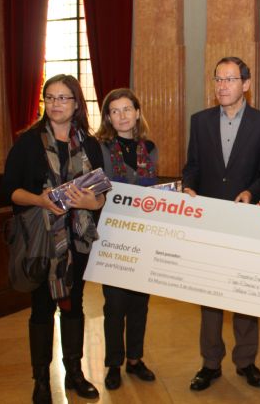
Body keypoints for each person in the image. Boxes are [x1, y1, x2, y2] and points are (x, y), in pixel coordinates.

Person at [1, 74, 106, 403]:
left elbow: (101, 195)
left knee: (74, 305)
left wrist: (90, 202)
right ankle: (42, 380)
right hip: (42, 240)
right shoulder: (27, 142)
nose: (56, 104)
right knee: (42, 309)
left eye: (63, 98)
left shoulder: (90, 144)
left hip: (79, 239)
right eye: (50, 97)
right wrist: (41, 200)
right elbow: (11, 191)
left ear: (76, 104)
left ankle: (74, 372)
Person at [182, 56, 260, 391]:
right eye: (218, 79)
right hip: (208, 221)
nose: (222, 86)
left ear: (245, 84)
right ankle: (210, 362)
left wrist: (251, 192)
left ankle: (246, 360)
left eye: (230, 79)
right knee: (209, 295)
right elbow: (192, 166)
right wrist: (188, 186)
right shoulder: (200, 121)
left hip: (245, 222)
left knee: (245, 295)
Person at [95, 88, 157, 390]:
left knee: (139, 305)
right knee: (115, 306)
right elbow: (95, 191)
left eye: (127, 109)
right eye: (115, 111)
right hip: (112, 237)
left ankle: (135, 359)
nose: (121, 116)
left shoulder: (150, 148)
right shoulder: (100, 149)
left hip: (144, 237)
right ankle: (113, 363)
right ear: (108, 117)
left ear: (137, 112)